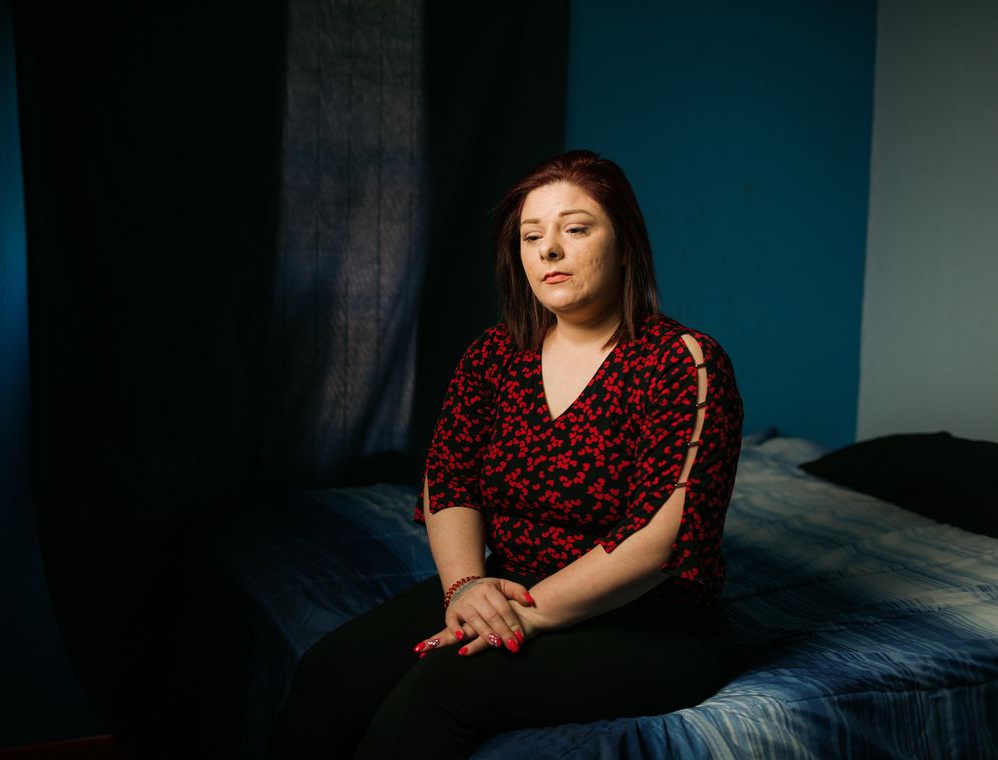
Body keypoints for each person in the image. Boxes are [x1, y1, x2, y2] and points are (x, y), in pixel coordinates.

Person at [266, 149, 745, 759]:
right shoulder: (495, 354)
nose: (548, 250)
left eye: (575, 228)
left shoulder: (683, 362)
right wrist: (465, 587)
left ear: (625, 242)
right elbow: (449, 480)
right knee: (329, 672)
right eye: (531, 235)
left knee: (445, 684)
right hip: (506, 585)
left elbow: (659, 541)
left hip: (650, 621)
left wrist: (527, 616)